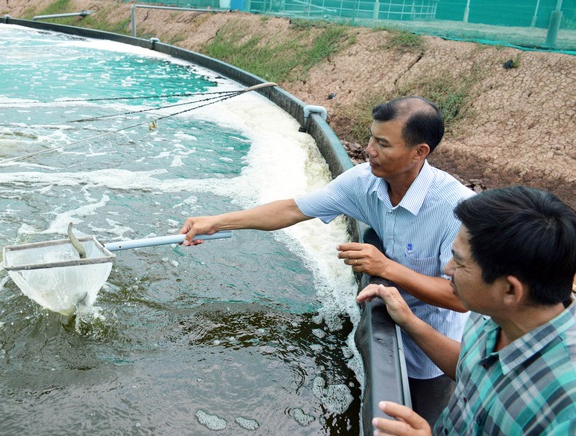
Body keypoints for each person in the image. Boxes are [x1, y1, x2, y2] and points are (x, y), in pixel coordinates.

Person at [180, 96, 475, 423]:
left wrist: (386, 268)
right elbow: (293, 209)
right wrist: (217, 222)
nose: (369, 150)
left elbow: (461, 297)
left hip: (433, 353)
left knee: (426, 421)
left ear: (420, 152)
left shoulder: (456, 209)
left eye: (383, 143)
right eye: (370, 137)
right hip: (388, 322)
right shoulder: (364, 182)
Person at [357, 186, 576, 435]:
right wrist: (409, 321)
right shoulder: (493, 313)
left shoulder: (567, 408)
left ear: (510, 290)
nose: (447, 269)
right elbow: (472, 368)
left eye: (459, 261)